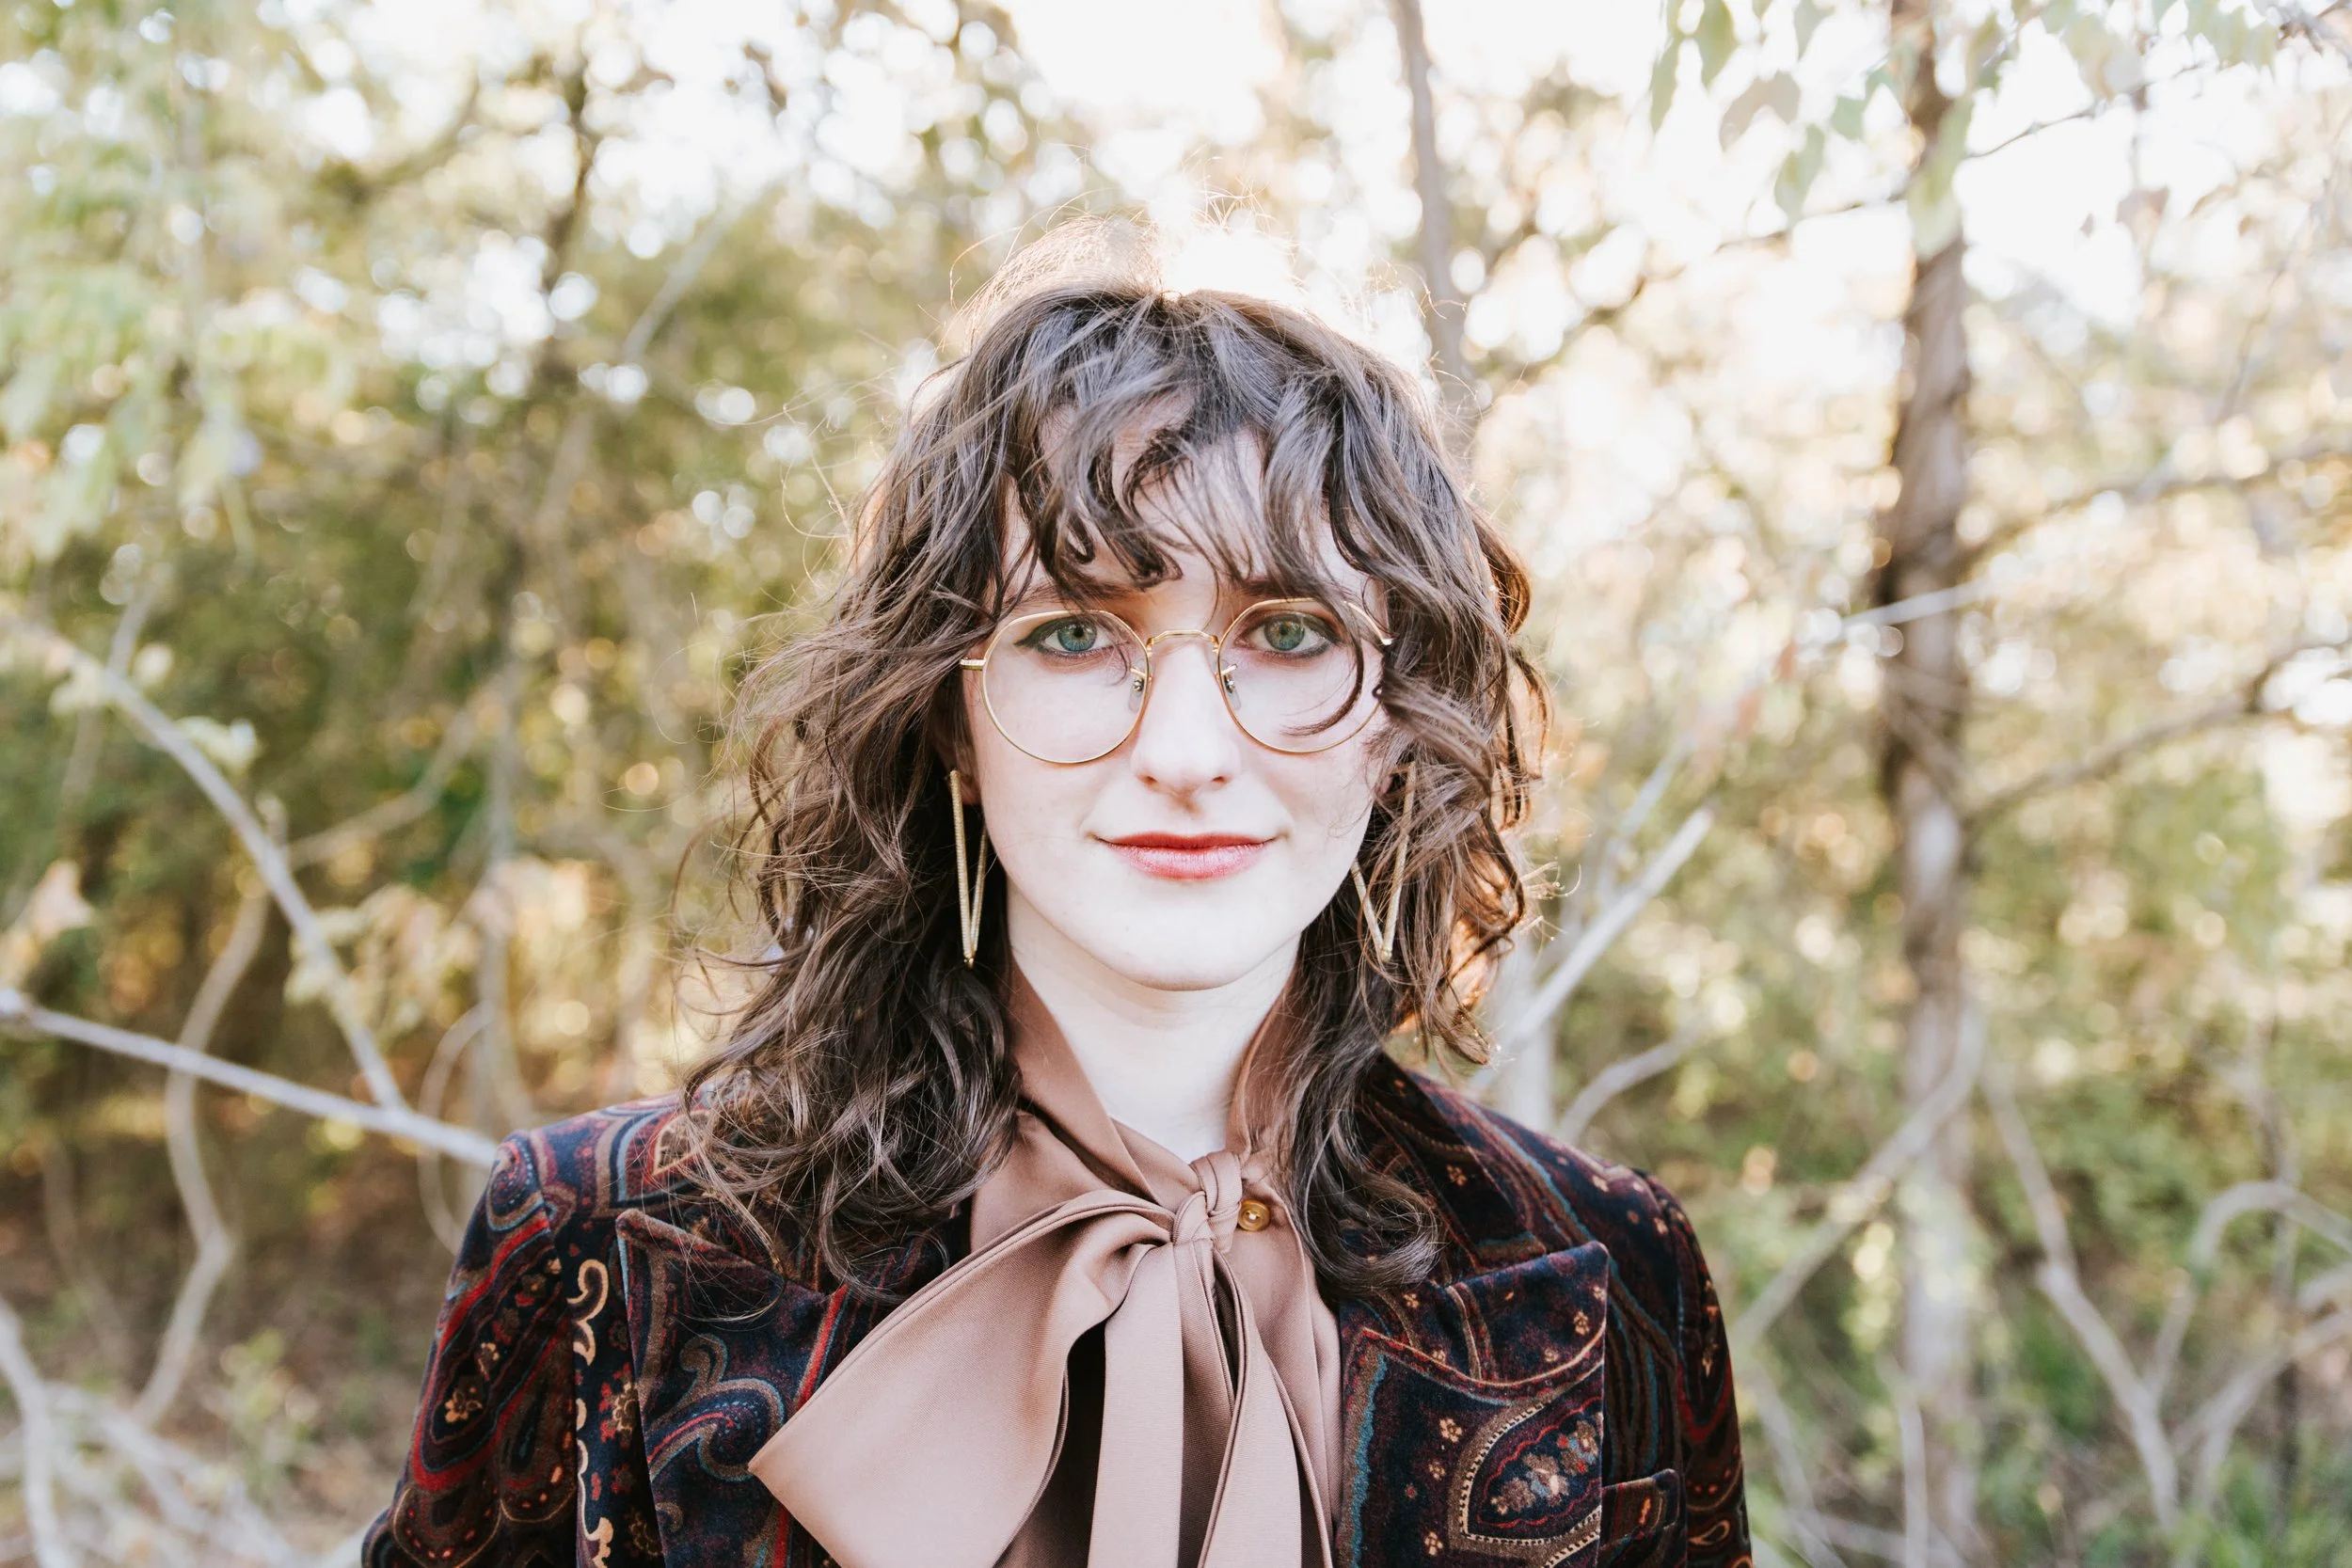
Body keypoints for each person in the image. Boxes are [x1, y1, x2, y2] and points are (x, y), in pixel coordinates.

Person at [364, 230, 1750, 1568]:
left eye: (1287, 633)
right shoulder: (594, 1241)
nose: (1188, 751)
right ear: (951, 722)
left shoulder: (1615, 1270)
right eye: (1077, 632)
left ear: (1397, 720)